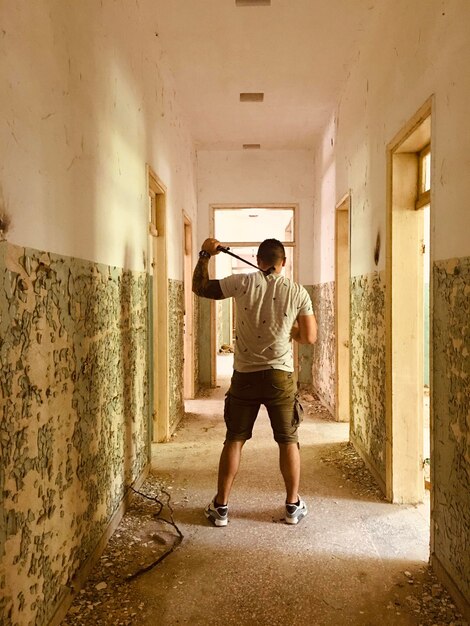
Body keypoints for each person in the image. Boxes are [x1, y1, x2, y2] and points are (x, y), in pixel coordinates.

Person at [192, 237, 317, 527]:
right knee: (288, 441)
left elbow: (201, 287)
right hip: (280, 376)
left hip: (245, 376)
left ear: (259, 260)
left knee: (234, 439)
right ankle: (292, 506)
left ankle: (221, 507)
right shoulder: (297, 292)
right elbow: (309, 337)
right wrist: (292, 331)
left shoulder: (242, 283)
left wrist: (205, 255)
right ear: (282, 262)